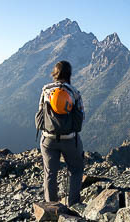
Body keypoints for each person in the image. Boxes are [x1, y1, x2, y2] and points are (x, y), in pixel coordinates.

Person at [37, 61, 84, 206]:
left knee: (50, 173)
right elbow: (81, 115)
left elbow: (40, 113)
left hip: (48, 139)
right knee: (76, 170)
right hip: (70, 139)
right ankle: (74, 204)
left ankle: (51, 208)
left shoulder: (46, 90)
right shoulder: (74, 92)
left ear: (54, 73)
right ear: (69, 74)